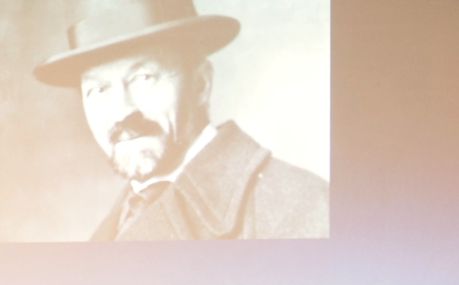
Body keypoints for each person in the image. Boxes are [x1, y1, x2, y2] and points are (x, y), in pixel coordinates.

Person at [33, 0, 329, 241]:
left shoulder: (299, 206)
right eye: (98, 90)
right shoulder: (113, 227)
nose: (121, 112)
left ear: (200, 85)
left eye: (144, 78)